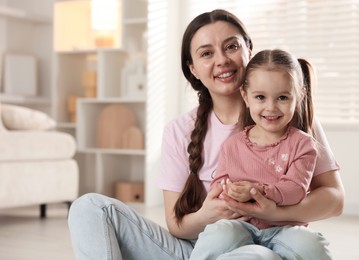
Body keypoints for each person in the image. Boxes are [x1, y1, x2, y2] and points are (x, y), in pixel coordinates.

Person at [68, 9, 344, 260]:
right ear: (193, 68)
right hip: (203, 248)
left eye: (231, 46)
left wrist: (274, 213)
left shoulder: (290, 118)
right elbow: (177, 225)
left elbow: (334, 199)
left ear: (249, 49)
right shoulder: (179, 131)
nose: (222, 60)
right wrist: (208, 215)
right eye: (206, 53)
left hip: (272, 245)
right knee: (89, 207)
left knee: (258, 255)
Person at [189, 48, 330, 259]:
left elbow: (295, 190)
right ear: (245, 97)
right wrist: (230, 192)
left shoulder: (304, 144)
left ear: (299, 96)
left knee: (312, 245)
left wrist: (256, 191)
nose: (271, 107)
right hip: (241, 224)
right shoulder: (232, 145)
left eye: (282, 97)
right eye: (261, 97)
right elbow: (220, 185)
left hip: (285, 228)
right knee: (218, 235)